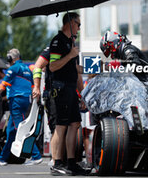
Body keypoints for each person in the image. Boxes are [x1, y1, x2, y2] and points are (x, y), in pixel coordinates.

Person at [0, 48, 42, 166]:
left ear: (11, 58)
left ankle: (36, 156)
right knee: (11, 132)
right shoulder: (26, 69)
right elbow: (32, 86)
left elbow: (1, 87)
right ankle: (2, 158)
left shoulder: (13, 69)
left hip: (16, 102)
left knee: (21, 130)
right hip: (25, 101)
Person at [49, 12, 86, 175]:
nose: (79, 28)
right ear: (70, 23)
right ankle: (57, 163)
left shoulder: (71, 43)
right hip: (61, 88)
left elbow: (75, 69)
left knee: (75, 124)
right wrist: (70, 55)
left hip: (71, 88)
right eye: (78, 24)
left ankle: (71, 162)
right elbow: (52, 66)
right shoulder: (57, 42)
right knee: (61, 125)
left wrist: (95, 70)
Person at [31, 46, 62, 167]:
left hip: (64, 94)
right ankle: (55, 159)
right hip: (51, 94)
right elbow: (37, 66)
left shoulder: (71, 49)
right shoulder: (52, 48)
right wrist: (37, 87)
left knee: (66, 127)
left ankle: (62, 159)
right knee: (55, 127)